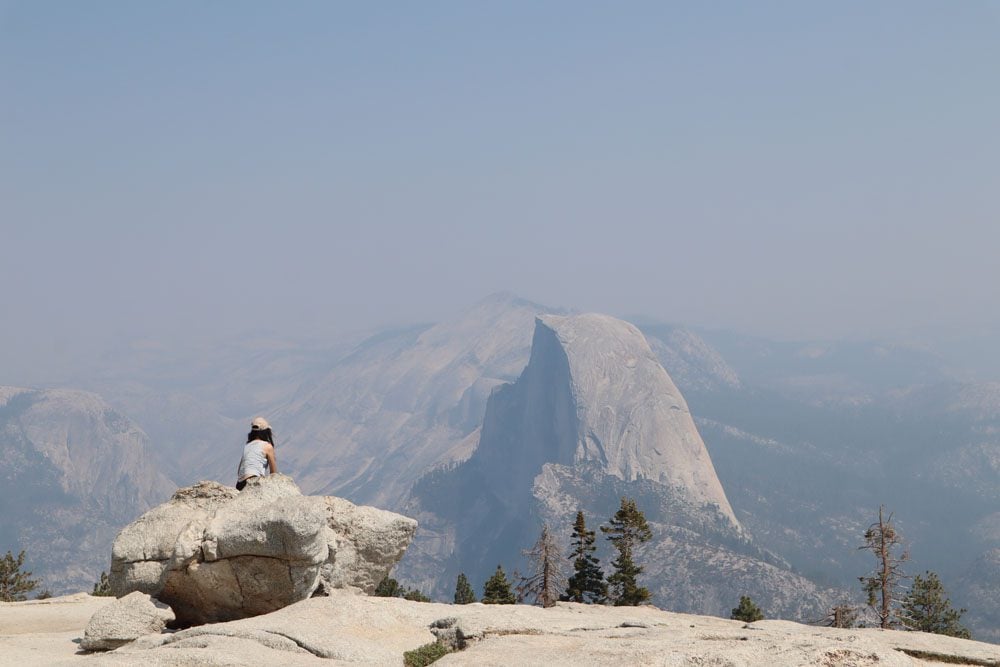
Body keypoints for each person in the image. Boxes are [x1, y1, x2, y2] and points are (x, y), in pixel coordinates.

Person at [236, 416, 278, 490]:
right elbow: (273, 473)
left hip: (240, 484)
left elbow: (239, 470)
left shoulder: (247, 446)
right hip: (253, 482)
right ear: (266, 432)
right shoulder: (267, 446)